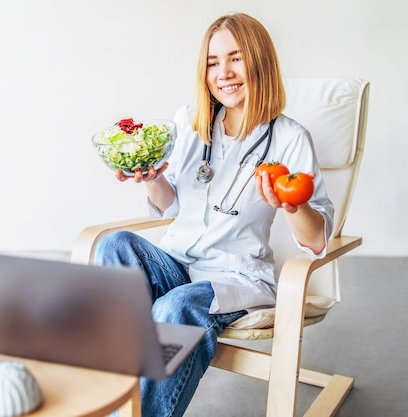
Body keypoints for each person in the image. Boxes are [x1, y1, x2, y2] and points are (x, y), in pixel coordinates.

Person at [95, 12, 334, 417]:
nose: (223, 72)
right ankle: (115, 395)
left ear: (259, 61)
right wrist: (152, 177)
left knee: (175, 308)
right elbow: (171, 207)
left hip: (234, 276)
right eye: (212, 62)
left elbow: (316, 240)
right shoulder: (187, 124)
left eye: (235, 58)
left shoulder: (291, 139)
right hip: (176, 263)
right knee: (113, 246)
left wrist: (294, 206)